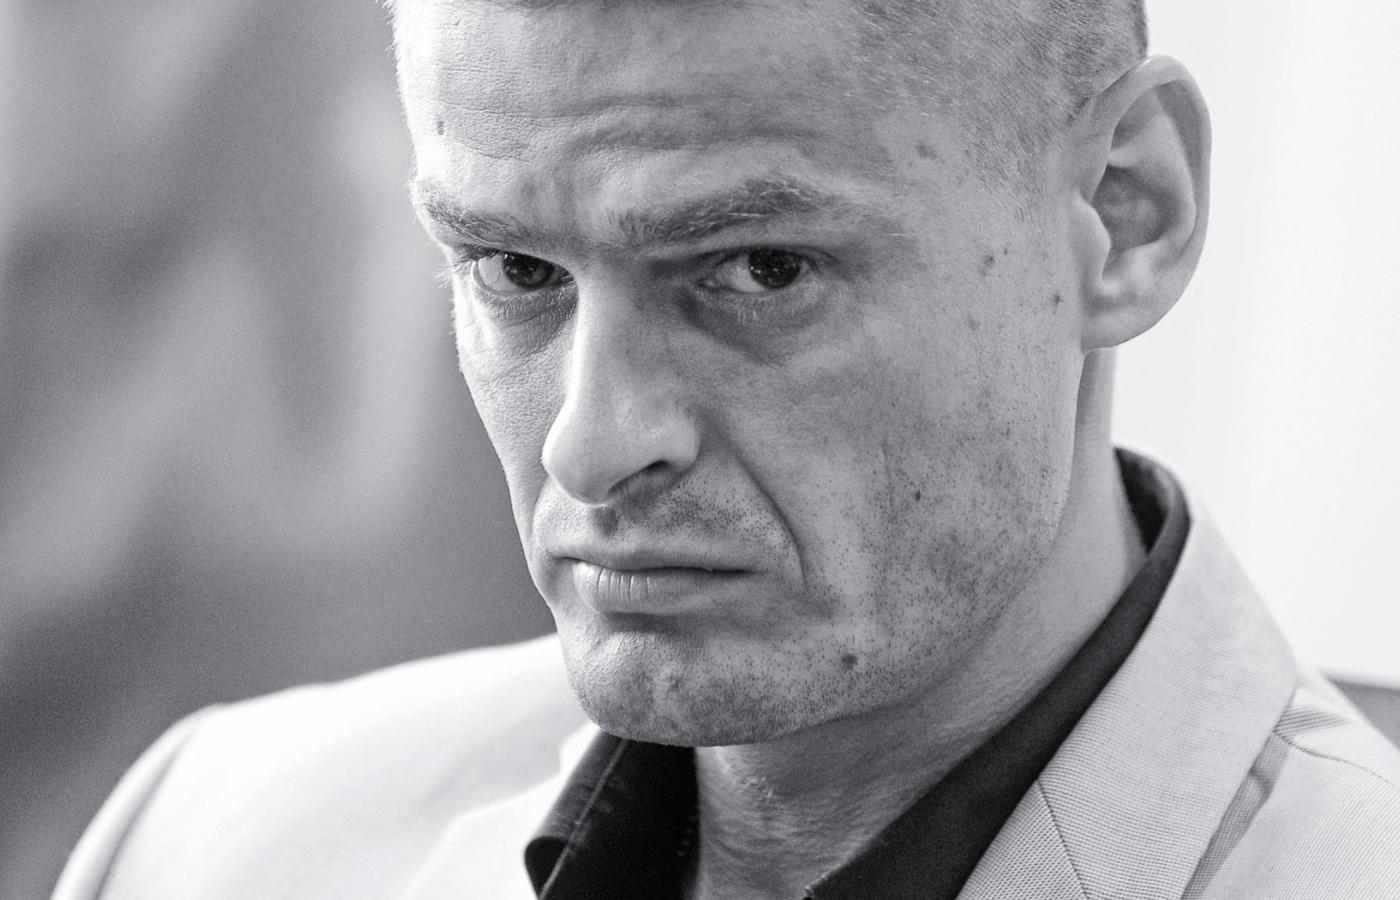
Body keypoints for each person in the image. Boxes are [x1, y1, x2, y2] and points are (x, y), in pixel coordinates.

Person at [52, 0, 1400, 897]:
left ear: (1126, 212)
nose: (591, 445)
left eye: (760, 269)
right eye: (514, 270)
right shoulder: (213, 845)